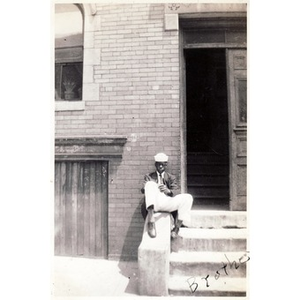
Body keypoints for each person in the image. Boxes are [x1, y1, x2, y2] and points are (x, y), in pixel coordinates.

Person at [141, 153, 193, 239]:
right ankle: (151, 222)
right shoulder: (149, 176)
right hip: (154, 203)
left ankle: (176, 228)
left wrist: (168, 191)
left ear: (166, 165)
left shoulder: (171, 177)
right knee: (149, 184)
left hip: (167, 201)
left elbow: (177, 191)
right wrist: (154, 187)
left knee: (188, 197)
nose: (160, 166)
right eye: (158, 164)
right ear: (155, 165)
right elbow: (143, 190)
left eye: (162, 164)